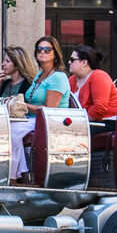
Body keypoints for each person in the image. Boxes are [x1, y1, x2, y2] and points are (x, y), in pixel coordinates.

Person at [9, 36, 71, 185]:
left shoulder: (58, 77)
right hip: (32, 119)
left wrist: (22, 105)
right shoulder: (39, 75)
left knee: (12, 130)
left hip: (49, 122)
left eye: (47, 49)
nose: (43, 52)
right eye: (39, 49)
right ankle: (20, 173)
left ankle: (13, 177)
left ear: (55, 54)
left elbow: (49, 109)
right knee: (6, 126)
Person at [68, 45, 117, 122]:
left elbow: (100, 108)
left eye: (72, 60)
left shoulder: (99, 77)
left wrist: (81, 122)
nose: (69, 62)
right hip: (86, 122)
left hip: (107, 121)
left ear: (84, 62)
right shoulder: (72, 79)